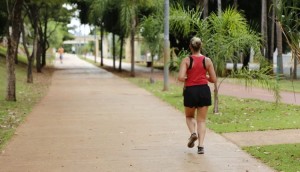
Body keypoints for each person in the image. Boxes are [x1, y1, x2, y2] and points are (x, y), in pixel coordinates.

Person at [178, 37, 217, 154]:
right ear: (201, 46)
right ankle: (201, 146)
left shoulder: (187, 60)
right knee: (202, 121)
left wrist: (188, 78)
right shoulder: (207, 60)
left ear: (190, 47)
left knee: (189, 117)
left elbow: (180, 77)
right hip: (204, 91)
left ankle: (193, 133)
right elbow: (214, 79)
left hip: (191, 91)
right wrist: (205, 77)